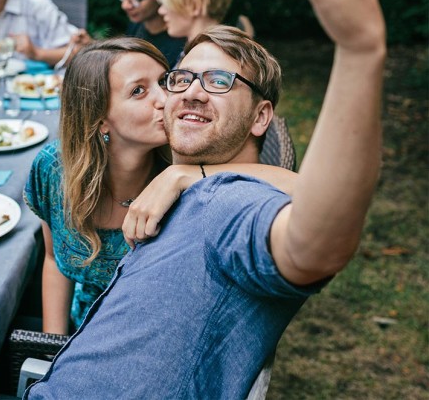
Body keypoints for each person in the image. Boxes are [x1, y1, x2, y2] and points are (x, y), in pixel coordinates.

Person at [25, 0, 386, 398]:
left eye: (220, 81)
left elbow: (317, 238)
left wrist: (359, 49)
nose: (191, 91)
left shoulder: (232, 209)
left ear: (261, 117)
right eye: (182, 78)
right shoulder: (159, 176)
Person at [25, 37, 297, 334]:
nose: (166, 99)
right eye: (139, 90)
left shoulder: (188, 159)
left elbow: (300, 188)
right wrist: (51, 344)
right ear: (100, 118)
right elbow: (52, 258)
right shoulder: (53, 169)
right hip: (81, 330)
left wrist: (183, 175)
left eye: (164, 82)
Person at [155, 0, 239, 66]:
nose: (161, 10)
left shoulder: (208, 60)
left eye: (168, 2)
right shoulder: (222, 53)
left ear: (195, 6)